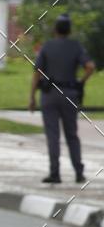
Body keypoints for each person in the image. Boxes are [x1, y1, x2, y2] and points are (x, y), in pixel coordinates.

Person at [29, 13, 95, 184]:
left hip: (49, 95)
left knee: (53, 135)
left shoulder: (47, 46)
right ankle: (78, 172)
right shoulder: (76, 46)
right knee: (72, 134)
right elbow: (90, 66)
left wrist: (32, 97)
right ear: (69, 30)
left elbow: (37, 73)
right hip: (70, 94)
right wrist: (80, 82)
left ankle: (55, 173)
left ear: (55, 29)